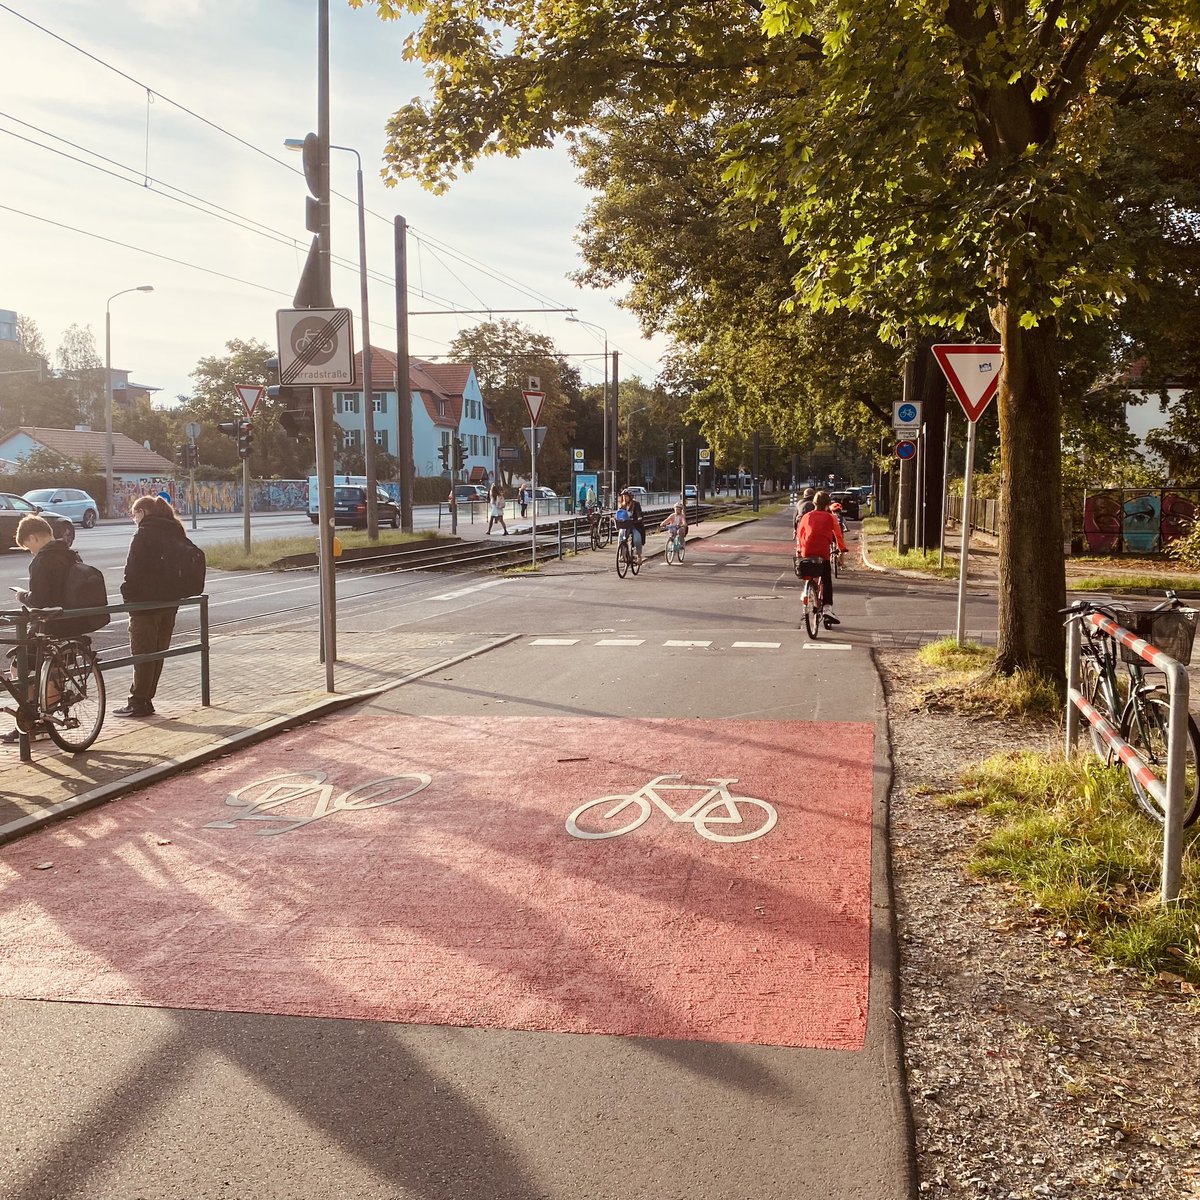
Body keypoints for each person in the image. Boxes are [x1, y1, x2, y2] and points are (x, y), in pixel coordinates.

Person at [3, 515, 81, 744]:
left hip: (49, 626)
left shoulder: (42, 561)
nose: (30, 552)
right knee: (55, 670)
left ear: (34, 537)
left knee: (19, 666)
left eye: (28, 547)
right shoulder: (71, 554)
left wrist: (22, 596)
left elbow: (40, 599)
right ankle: (48, 722)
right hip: (72, 623)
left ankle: (36, 720)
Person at [117, 495, 190, 717]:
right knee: (157, 653)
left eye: (134, 514)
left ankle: (138, 700)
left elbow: (133, 570)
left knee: (142, 654)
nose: (134, 519)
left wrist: (128, 595)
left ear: (143, 512)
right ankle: (147, 699)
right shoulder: (175, 530)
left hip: (145, 604)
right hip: (170, 603)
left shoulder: (143, 534)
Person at [795, 490, 847, 627]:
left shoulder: (806, 516)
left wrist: (800, 550)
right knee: (826, 579)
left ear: (814, 503)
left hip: (807, 552)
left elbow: (800, 535)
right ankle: (827, 608)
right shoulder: (831, 518)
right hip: (822, 553)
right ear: (827, 505)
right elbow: (838, 535)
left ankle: (807, 591)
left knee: (809, 571)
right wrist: (842, 549)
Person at [617, 488, 646, 562]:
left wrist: (639, 518)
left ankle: (639, 555)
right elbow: (619, 514)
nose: (625, 498)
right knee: (621, 537)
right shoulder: (622, 505)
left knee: (637, 540)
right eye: (623, 496)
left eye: (626, 496)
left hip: (634, 525)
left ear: (630, 497)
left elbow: (639, 513)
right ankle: (622, 555)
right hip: (625, 525)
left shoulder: (636, 504)